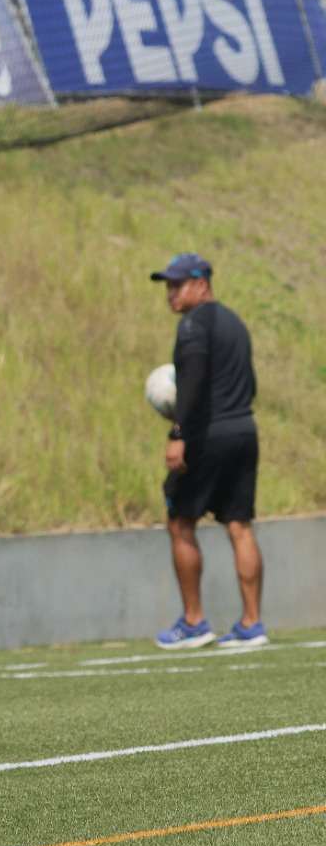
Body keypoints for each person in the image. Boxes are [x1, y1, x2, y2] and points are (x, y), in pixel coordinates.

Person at [150, 253, 266, 650]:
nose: (170, 293)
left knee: (180, 522)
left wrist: (179, 431)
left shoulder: (193, 325)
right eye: (167, 286)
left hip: (207, 437)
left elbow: (194, 379)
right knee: (239, 525)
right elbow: (249, 384)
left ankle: (194, 621)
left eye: (177, 285)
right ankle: (252, 622)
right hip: (244, 430)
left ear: (202, 284)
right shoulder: (235, 323)